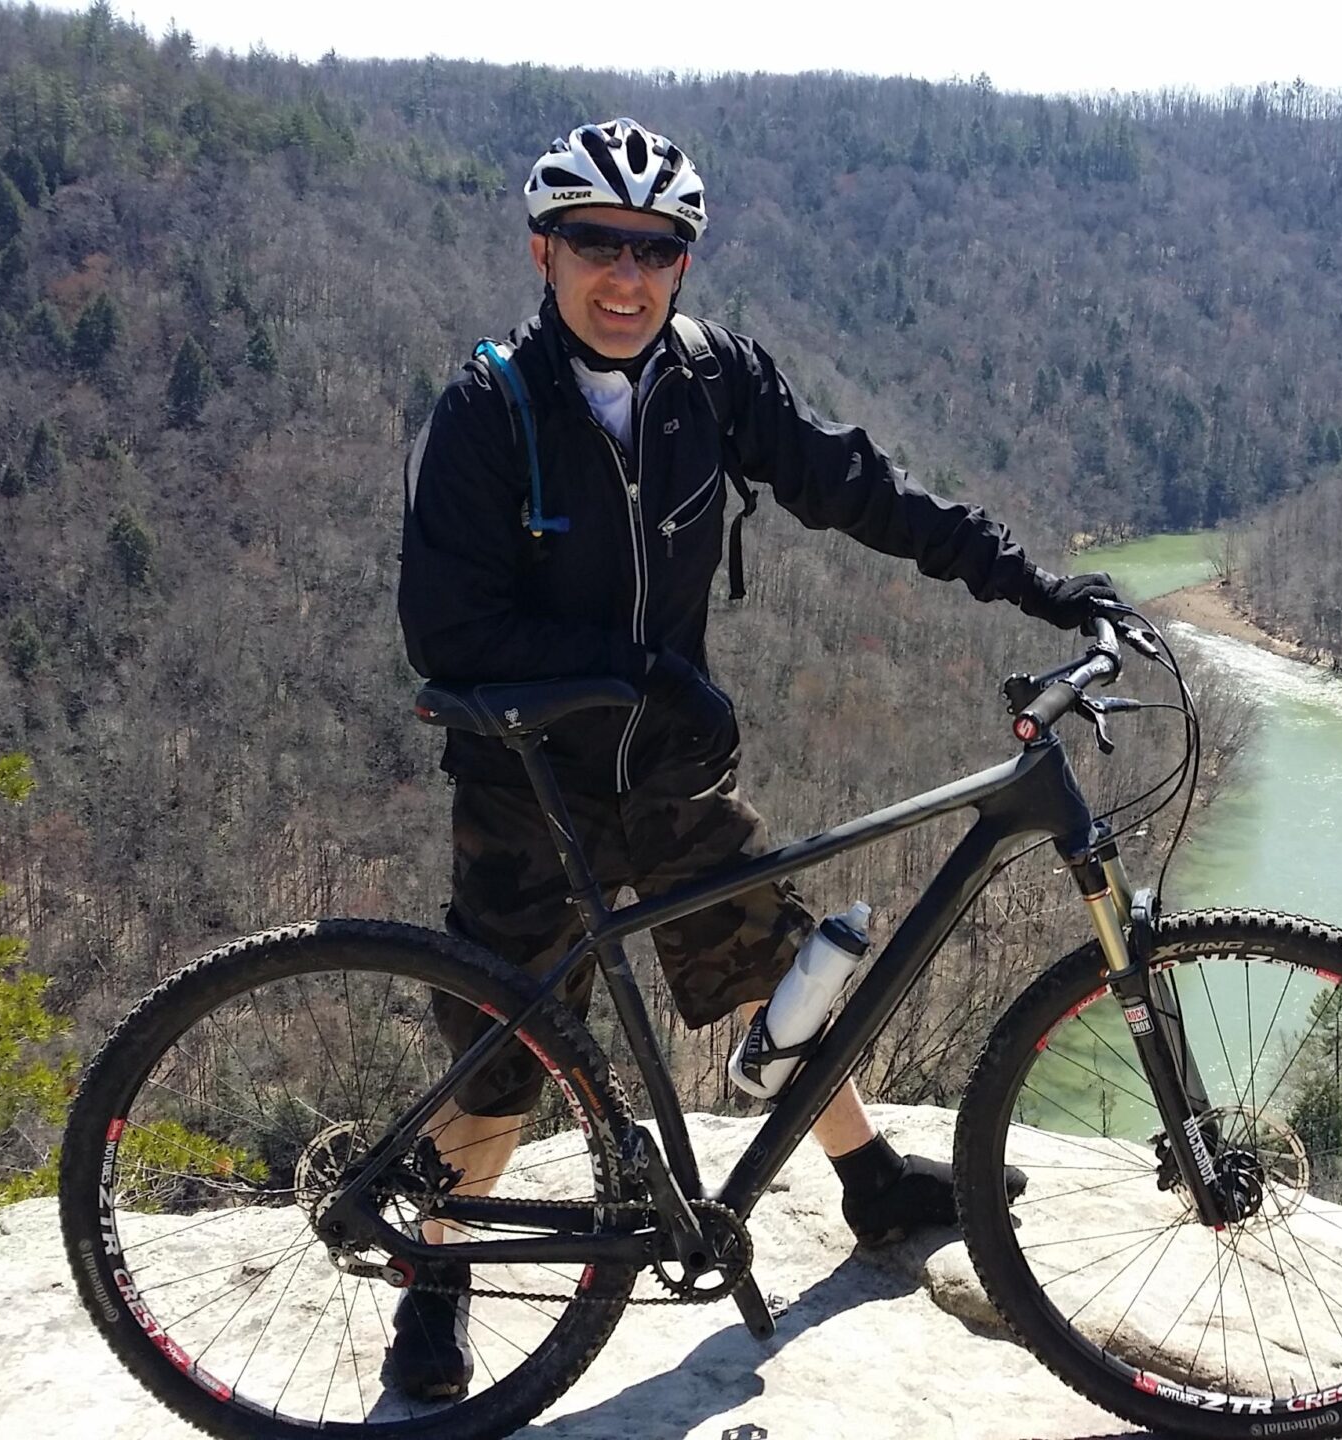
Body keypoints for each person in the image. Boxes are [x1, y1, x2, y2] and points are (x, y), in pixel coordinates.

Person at [391, 118, 1122, 1400]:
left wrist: (1033, 582)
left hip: (665, 777)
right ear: (542, 252)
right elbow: (447, 632)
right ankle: (436, 1275)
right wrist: (639, 677)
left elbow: (858, 487)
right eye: (595, 246)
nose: (624, 278)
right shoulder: (487, 408)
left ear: (684, 263)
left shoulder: (710, 381)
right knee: (500, 1054)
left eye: (654, 250)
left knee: (774, 967)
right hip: (527, 790)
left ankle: (870, 1181)